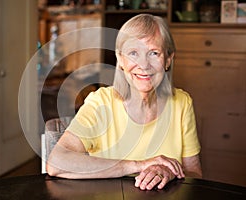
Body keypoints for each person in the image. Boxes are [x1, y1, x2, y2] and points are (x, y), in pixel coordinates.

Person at [46, 14, 202, 191]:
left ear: (168, 60)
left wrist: (172, 172)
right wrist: (138, 165)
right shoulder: (100, 103)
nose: (143, 65)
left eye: (154, 53)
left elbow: (195, 173)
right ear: (120, 60)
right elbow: (57, 163)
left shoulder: (182, 102)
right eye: (133, 53)